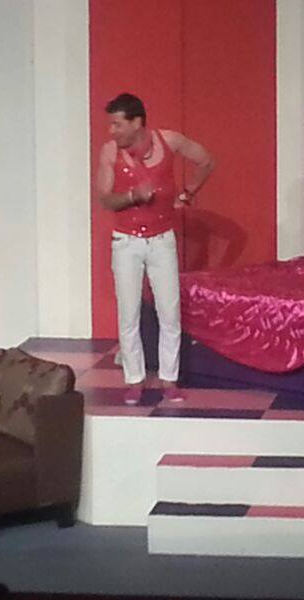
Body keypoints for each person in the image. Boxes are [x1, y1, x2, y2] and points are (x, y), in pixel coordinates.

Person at [96, 93, 215, 405]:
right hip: (126, 242)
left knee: (169, 312)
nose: (112, 131)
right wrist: (133, 196)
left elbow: (206, 160)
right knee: (129, 313)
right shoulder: (110, 152)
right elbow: (105, 198)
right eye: (111, 125)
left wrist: (188, 193)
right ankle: (134, 380)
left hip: (162, 240)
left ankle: (169, 379)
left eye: (117, 124)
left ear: (136, 122)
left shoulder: (168, 141)